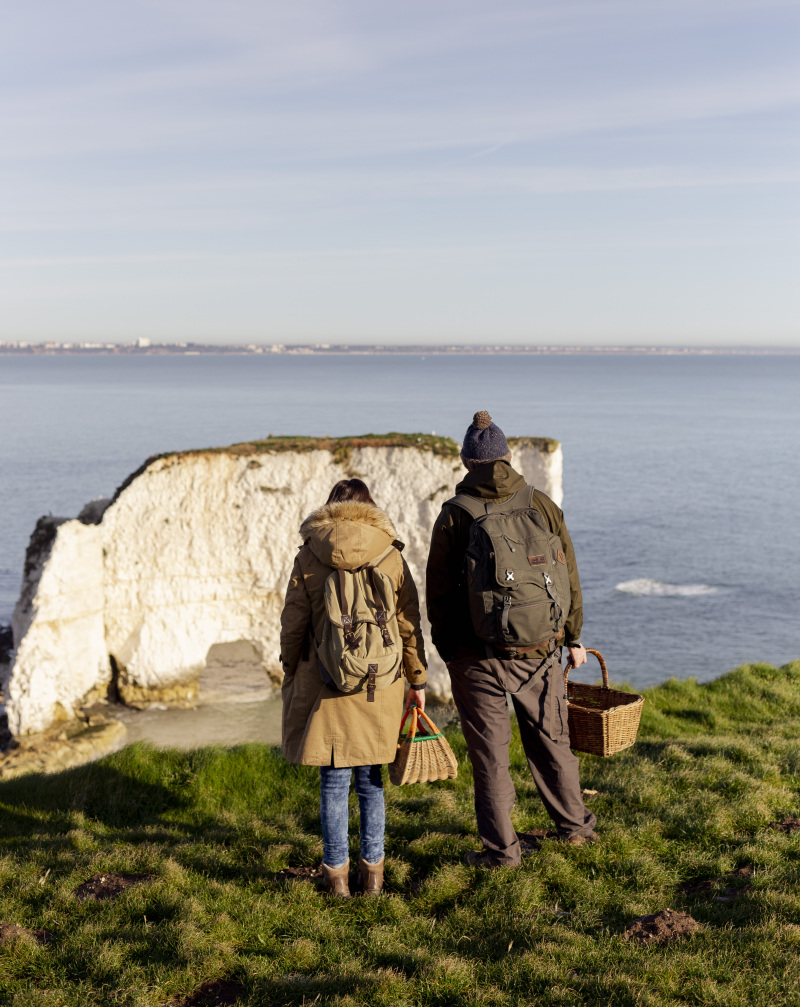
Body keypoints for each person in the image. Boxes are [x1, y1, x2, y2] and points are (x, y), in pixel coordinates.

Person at [426, 411, 596, 868]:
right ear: (506, 457)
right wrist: (572, 635)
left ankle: (502, 853)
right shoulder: (540, 504)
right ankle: (576, 829)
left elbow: (438, 593)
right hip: (541, 649)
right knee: (552, 741)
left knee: (491, 756)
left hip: (476, 657)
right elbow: (568, 574)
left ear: (466, 461)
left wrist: (449, 652)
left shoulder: (455, 515)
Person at [280, 478, 427, 897]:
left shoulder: (310, 554)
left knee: (333, 780)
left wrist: (292, 669)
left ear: (330, 510)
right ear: (370, 509)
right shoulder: (390, 554)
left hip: (328, 683)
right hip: (379, 685)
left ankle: (337, 877)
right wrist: (416, 677)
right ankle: (374, 876)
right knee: (370, 778)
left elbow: (294, 623)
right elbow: (407, 623)